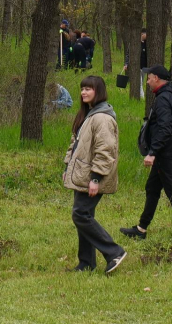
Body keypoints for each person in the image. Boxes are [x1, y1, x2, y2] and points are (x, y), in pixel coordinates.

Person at [121, 66, 172, 242]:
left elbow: (164, 128)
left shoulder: (163, 99)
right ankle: (141, 229)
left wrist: (153, 152)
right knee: (152, 188)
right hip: (169, 150)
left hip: (163, 153)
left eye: (149, 78)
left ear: (158, 78)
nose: (148, 81)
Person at [63, 75, 126, 274]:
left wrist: (96, 178)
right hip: (82, 174)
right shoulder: (88, 115)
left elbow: (105, 150)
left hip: (92, 176)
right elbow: (75, 145)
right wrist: (67, 168)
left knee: (80, 214)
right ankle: (86, 263)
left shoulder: (102, 117)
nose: (83, 92)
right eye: (82, 89)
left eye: (88, 89)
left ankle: (114, 252)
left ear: (98, 91)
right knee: (85, 214)